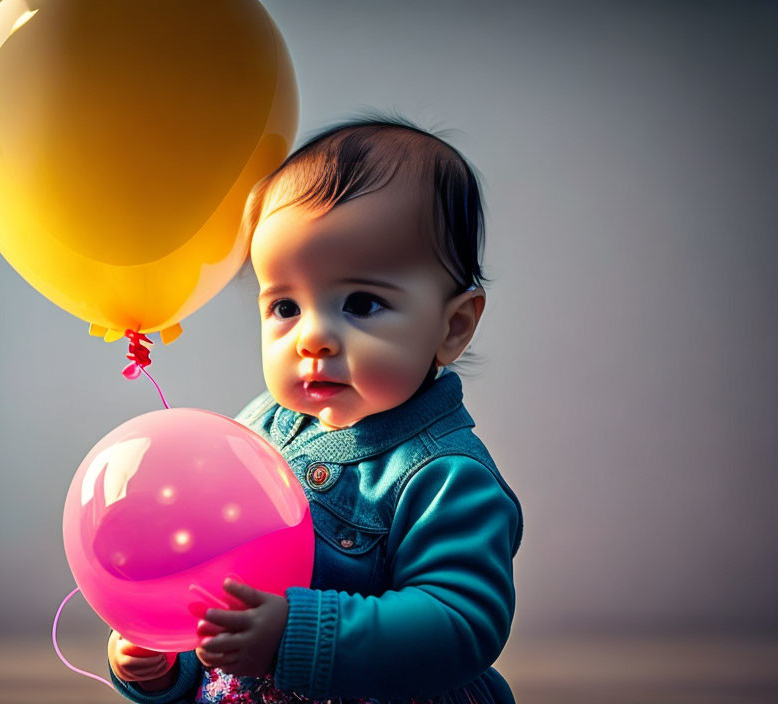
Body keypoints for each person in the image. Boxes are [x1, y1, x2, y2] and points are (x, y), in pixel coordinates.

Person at [107, 117, 524, 704]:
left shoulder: (444, 477)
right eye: (284, 306)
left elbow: (460, 622)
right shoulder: (251, 436)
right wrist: (164, 656)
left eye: (361, 303)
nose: (313, 338)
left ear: (451, 327)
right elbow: (211, 584)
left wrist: (294, 634)